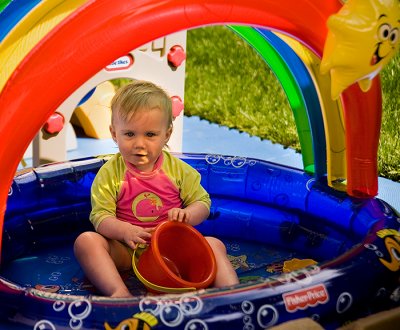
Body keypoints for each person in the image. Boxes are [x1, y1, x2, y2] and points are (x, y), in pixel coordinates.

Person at [74, 80, 239, 298]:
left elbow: (203, 203)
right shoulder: (110, 174)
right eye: (129, 134)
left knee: (213, 244)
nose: (139, 143)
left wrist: (188, 214)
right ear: (114, 134)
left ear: (166, 134)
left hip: (173, 249)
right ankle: (118, 292)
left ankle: (232, 294)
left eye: (150, 135)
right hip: (128, 250)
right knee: (86, 242)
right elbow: (100, 217)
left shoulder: (178, 171)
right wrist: (125, 231)